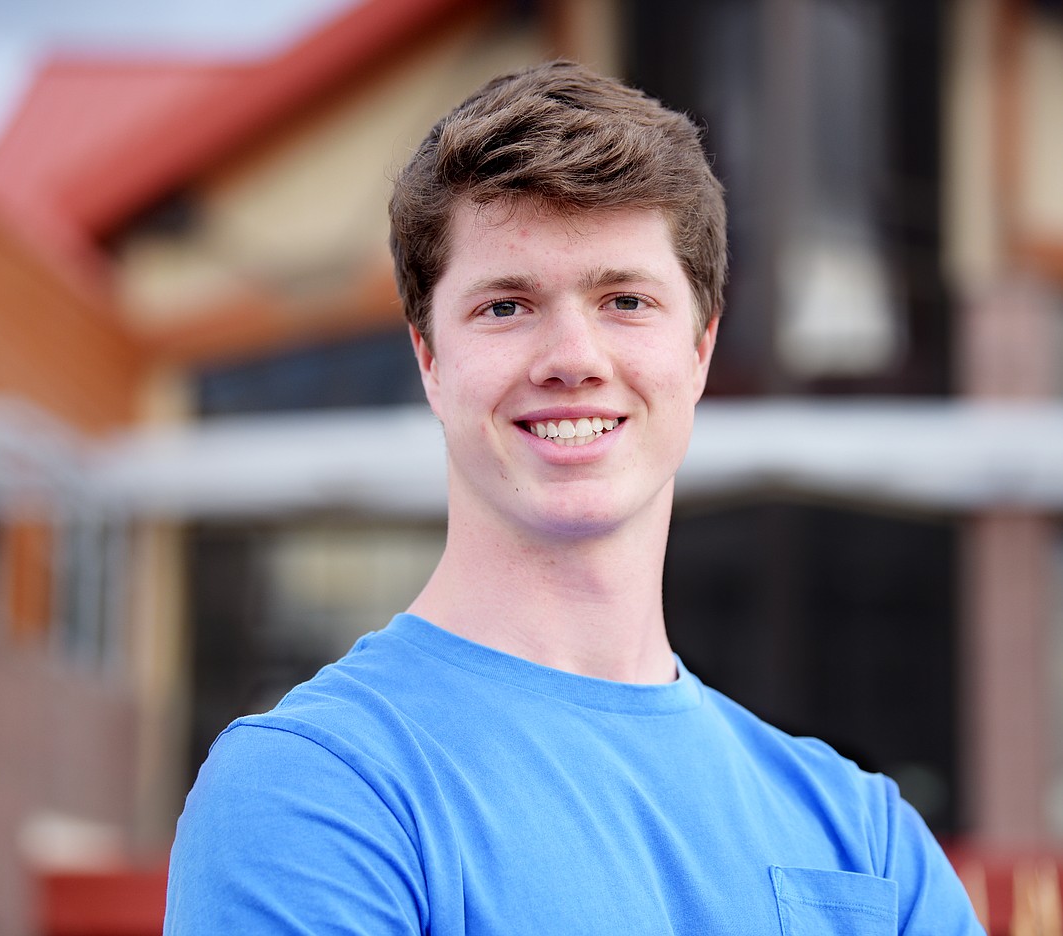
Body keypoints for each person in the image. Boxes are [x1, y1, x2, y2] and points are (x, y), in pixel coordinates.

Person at [164, 60, 982, 934]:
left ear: (700, 351)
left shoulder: (864, 836)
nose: (573, 356)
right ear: (429, 359)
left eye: (625, 300)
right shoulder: (319, 791)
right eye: (507, 307)